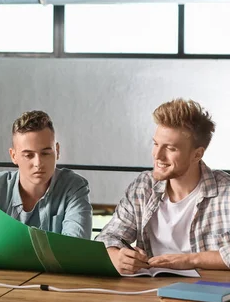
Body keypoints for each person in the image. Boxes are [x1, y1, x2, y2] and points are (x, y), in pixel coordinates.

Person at [0, 110, 92, 267]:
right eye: (28, 155)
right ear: (13, 156)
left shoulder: (74, 187)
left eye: (46, 153)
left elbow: (76, 248)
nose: (38, 163)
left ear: (57, 151)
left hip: (54, 285)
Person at [96, 98, 230, 274]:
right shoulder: (143, 186)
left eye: (171, 148)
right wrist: (117, 255)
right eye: (156, 144)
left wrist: (191, 260)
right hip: (149, 291)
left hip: (208, 294)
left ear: (197, 154)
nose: (157, 155)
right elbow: (108, 237)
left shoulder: (225, 193)